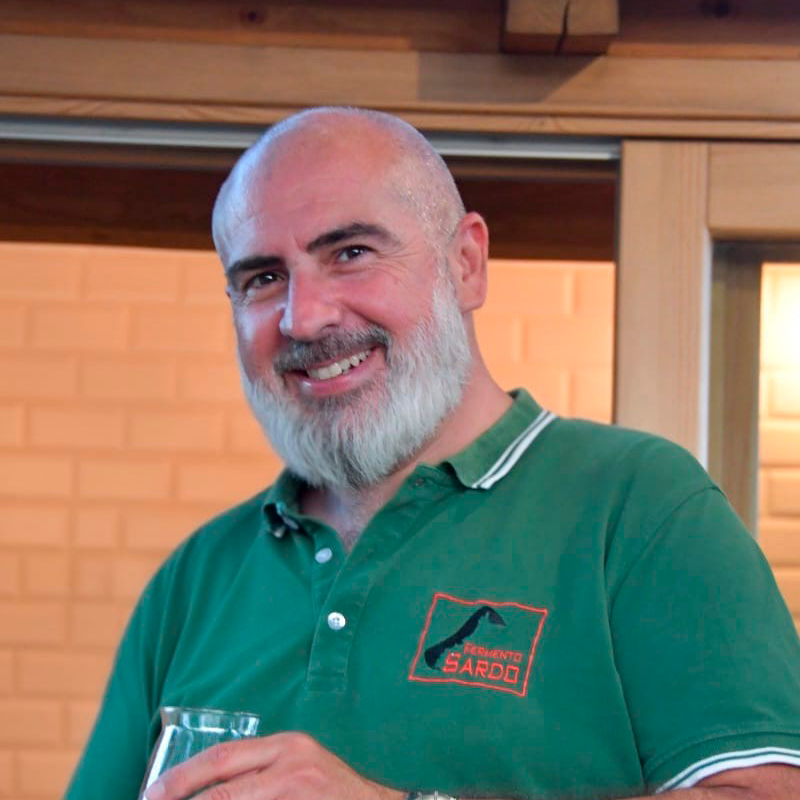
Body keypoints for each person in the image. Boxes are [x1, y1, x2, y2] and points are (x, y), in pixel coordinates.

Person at [65, 107, 800, 800]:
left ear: (466, 262)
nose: (304, 317)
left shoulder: (641, 507)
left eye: (351, 253)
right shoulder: (197, 576)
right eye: (263, 278)